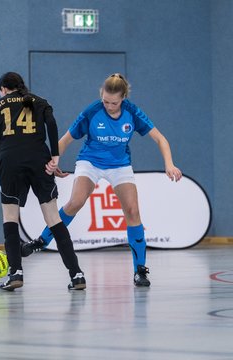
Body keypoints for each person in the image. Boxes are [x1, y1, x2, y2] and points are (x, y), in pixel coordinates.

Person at [22, 73, 182, 287]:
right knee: (75, 203)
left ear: (123, 97)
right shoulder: (92, 112)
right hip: (90, 162)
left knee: (133, 212)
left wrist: (169, 164)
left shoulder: (132, 113)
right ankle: (42, 240)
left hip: (120, 165)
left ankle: (140, 270)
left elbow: (160, 138)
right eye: (105, 101)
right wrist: (52, 162)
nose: (109, 106)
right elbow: (66, 139)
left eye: (114, 103)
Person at [0, 72, 86, 291]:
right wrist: (54, 156)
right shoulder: (39, 101)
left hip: (10, 160)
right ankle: (77, 274)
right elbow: (51, 124)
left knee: (10, 218)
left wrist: (1, 164)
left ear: (4, 89)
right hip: (39, 160)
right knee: (54, 218)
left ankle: (15, 272)